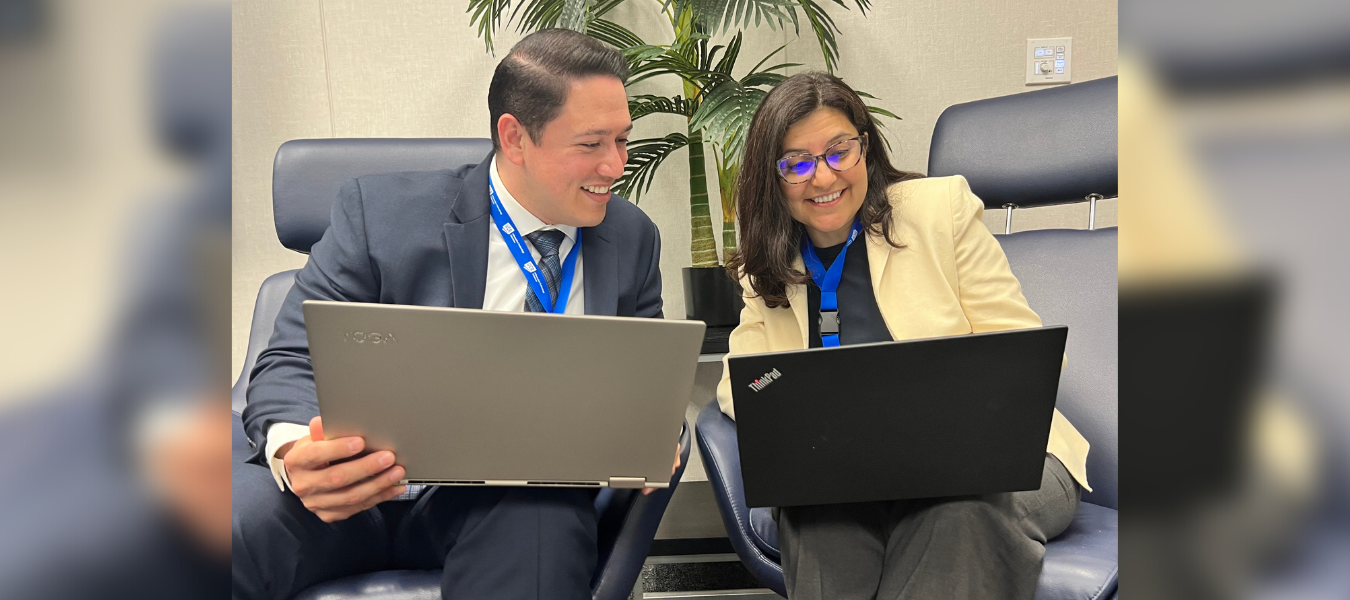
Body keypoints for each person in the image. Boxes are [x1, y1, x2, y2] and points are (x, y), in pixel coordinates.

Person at [234, 29, 678, 600]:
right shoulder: (381, 215)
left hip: (502, 503)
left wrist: (650, 425)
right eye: (592, 144)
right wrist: (298, 454)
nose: (616, 165)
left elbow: (645, 381)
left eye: (622, 139)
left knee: (541, 513)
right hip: (351, 494)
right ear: (515, 137)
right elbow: (290, 360)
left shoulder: (630, 238)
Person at [715, 72, 1092, 600]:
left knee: (956, 514)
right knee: (820, 521)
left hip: (1003, 468)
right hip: (851, 478)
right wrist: (804, 402)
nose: (822, 177)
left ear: (864, 148)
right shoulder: (769, 267)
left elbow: (1021, 350)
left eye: (838, 151)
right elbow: (742, 385)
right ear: (772, 178)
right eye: (796, 163)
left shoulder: (939, 211)